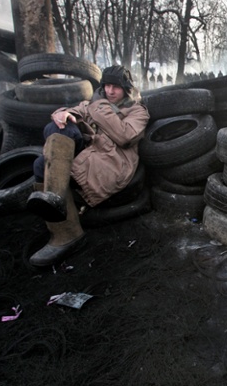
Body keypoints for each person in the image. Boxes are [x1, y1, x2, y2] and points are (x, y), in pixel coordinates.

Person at [27, 65, 150, 267]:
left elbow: (125, 136)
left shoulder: (137, 110)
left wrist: (99, 107)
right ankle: (65, 231)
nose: (110, 91)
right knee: (47, 150)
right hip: (89, 154)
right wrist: (62, 114)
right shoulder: (94, 103)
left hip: (112, 162)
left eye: (116, 87)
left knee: (50, 165)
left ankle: (54, 202)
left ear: (126, 89)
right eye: (107, 86)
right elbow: (72, 113)